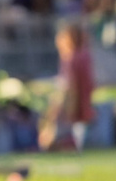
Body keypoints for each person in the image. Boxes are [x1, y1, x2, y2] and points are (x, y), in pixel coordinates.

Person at [41, 19, 96, 152]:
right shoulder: (83, 57)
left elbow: (71, 90)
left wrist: (60, 113)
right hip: (82, 113)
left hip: (73, 115)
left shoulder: (73, 59)